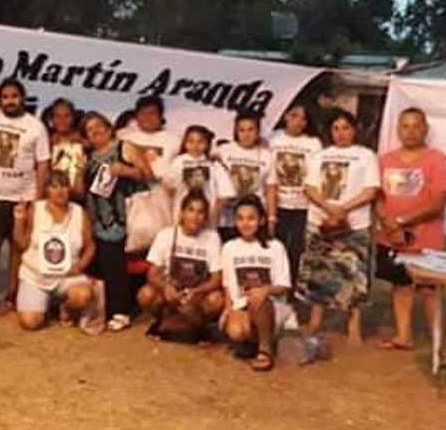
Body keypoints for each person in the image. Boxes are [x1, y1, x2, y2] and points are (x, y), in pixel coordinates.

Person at [374, 107, 446, 352]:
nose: (410, 132)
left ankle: (440, 344)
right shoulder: (384, 161)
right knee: (401, 286)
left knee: (429, 290)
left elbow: (437, 205)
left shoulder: (438, 161)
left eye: (416, 126)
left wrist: (400, 222)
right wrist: (388, 224)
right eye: (405, 126)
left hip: (425, 239)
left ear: (425, 129)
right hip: (391, 238)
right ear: (398, 129)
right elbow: (377, 197)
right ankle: (403, 336)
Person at [299, 109, 379, 345]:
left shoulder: (366, 156)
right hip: (320, 221)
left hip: (354, 224)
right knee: (318, 271)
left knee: (354, 273)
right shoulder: (321, 156)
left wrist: (344, 208)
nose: (341, 133)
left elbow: (371, 190)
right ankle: (315, 320)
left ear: (354, 130)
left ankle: (353, 324)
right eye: (336, 128)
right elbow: (310, 188)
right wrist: (328, 207)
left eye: (346, 128)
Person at [0, 79, 50, 315]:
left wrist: (37, 199)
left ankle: (12, 294)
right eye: (5, 97)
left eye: (14, 96)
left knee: (19, 247)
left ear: (23, 98)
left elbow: (43, 164)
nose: (10, 101)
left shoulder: (36, 127)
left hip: (23, 197)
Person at [81, 111, 150, 331]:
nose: (95, 132)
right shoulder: (90, 156)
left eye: (98, 126)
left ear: (109, 127)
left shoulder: (124, 147)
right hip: (96, 216)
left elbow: (147, 174)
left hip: (121, 214)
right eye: (89, 130)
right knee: (104, 264)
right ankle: (108, 309)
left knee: (115, 263)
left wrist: (125, 170)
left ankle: (120, 311)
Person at [13, 171, 97, 332]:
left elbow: (90, 245)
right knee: (30, 323)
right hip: (35, 277)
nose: (60, 191)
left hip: (67, 276)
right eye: (54, 187)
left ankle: (65, 307)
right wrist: (19, 218)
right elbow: (21, 243)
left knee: (83, 296)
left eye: (64, 186)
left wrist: (81, 265)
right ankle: (45, 304)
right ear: (46, 190)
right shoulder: (36, 209)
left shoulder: (79, 212)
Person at [220, 196, 294, 372]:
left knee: (258, 298)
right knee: (236, 331)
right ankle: (257, 339)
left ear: (261, 220)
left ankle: (265, 349)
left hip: (271, 305)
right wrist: (227, 308)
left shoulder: (275, 247)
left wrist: (266, 290)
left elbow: (284, 285)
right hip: (242, 305)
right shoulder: (229, 248)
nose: (245, 223)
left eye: (251, 218)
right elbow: (228, 283)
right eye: (240, 218)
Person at [138, 192, 224, 343]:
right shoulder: (165, 235)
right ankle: (160, 320)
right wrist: (166, 287)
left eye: (200, 212)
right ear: (182, 213)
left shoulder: (212, 238)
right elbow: (152, 273)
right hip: (171, 290)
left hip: (196, 293)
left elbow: (217, 279)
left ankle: (201, 328)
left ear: (205, 217)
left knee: (216, 300)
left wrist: (196, 291)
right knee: (146, 295)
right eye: (191, 210)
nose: (195, 216)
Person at [266, 102, 322, 287]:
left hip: (303, 206)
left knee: (297, 250)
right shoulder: (273, 138)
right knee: (275, 247)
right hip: (276, 204)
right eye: (294, 116)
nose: (298, 122)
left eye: (303, 119)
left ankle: (291, 289)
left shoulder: (313, 143)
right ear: (285, 116)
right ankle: (274, 286)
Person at [115, 95, 178, 227]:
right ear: (136, 116)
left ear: (161, 116)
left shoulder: (175, 139)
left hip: (162, 198)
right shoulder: (122, 136)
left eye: (152, 113)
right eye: (143, 113)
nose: (147, 117)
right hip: (130, 198)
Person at [214, 111, 276, 243]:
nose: (246, 134)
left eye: (250, 130)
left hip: (253, 220)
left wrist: (271, 218)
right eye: (241, 130)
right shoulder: (223, 151)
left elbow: (271, 189)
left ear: (257, 132)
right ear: (236, 131)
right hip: (225, 218)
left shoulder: (267, 155)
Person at [164, 125, 234, 230]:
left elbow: (225, 193)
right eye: (191, 141)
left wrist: (213, 214)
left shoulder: (213, 164)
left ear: (207, 144)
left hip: (206, 219)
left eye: (200, 142)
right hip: (182, 218)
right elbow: (169, 188)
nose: (195, 146)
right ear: (184, 143)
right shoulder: (179, 162)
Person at [43, 98, 86, 200]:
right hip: (53, 196)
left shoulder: (84, 141)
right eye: (57, 116)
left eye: (67, 116)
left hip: (79, 197)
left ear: (73, 117)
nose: (62, 120)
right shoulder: (46, 141)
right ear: (51, 119)